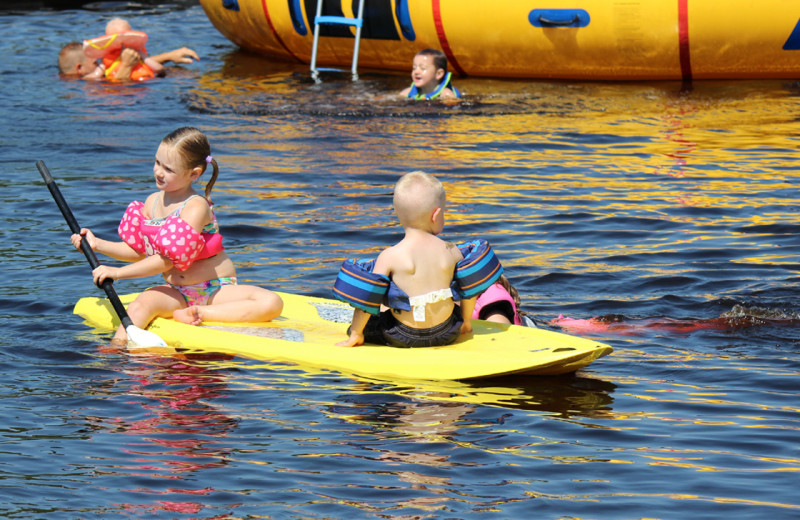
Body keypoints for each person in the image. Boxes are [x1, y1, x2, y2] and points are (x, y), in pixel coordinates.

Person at [71, 126, 283, 344]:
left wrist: (117, 273)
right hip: (177, 292)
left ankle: (201, 313)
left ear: (194, 174)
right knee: (140, 305)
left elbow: (166, 261)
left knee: (271, 302)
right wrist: (97, 244)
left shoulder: (196, 206)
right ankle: (113, 353)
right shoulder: (151, 202)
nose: (158, 172)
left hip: (215, 290)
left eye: (168, 169)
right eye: (157, 163)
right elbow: (138, 252)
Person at [332, 171, 503, 348]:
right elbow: (469, 290)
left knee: (370, 321)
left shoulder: (390, 256)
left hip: (402, 335)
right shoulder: (451, 250)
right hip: (447, 331)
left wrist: (356, 333)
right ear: (436, 215)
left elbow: (367, 298)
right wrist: (466, 322)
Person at [58, 17, 199, 81]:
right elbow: (117, 86)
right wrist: (125, 65)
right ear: (79, 69)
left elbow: (118, 65)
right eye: (96, 61)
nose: (100, 60)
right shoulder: (85, 85)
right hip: (128, 97)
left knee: (180, 72)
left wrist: (169, 56)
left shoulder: (86, 79)